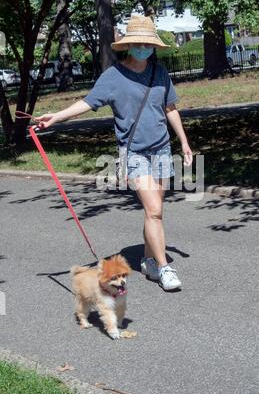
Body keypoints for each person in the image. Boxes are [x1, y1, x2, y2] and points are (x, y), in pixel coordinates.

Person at [35, 15, 193, 291]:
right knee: (154, 210)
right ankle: (165, 268)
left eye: (148, 44)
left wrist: (184, 142)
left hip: (162, 148)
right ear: (129, 45)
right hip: (134, 152)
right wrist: (57, 117)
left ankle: (147, 261)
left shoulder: (160, 73)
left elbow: (170, 108)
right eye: (139, 43)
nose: (144, 48)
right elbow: (86, 103)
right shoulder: (113, 77)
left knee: (155, 212)